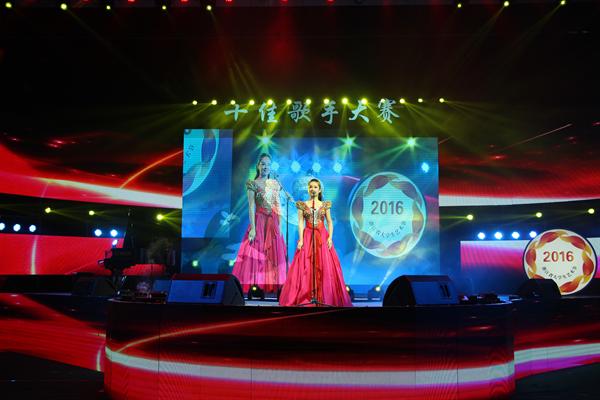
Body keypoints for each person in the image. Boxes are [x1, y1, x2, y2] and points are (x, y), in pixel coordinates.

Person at [279, 178, 352, 307]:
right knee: (306, 265)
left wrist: (330, 238)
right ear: (308, 189)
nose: (312, 189)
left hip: (322, 237)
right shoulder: (302, 205)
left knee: (324, 265)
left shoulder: (325, 205)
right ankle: (306, 296)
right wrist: (301, 239)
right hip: (308, 236)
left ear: (319, 190)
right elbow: (300, 222)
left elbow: (329, 222)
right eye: (310, 187)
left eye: (315, 187)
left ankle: (324, 297)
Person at [232, 153, 287, 296]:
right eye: (263, 164)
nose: (266, 167)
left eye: (268, 164)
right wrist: (253, 228)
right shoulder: (253, 183)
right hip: (260, 221)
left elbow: (278, 206)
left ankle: (274, 287)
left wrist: (280, 226)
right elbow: (251, 206)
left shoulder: (274, 184)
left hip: (273, 223)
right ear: (258, 166)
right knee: (257, 254)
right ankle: (257, 287)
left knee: (273, 255)